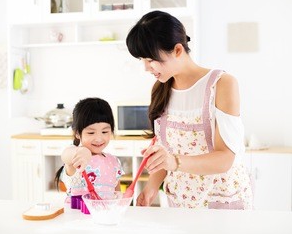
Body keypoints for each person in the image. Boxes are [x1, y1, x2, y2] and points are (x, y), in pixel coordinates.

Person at [125, 10, 253, 209]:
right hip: (180, 201)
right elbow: (164, 151)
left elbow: (225, 158)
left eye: (150, 60)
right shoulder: (160, 88)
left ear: (177, 50)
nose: (146, 68)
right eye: (142, 60)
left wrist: (173, 162)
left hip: (221, 201)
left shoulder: (222, 84)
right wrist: (151, 187)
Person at [54, 97, 124, 204]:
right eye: (91, 133)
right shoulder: (76, 159)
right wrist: (82, 152)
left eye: (105, 132)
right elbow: (66, 155)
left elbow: (117, 194)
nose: (99, 138)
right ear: (77, 133)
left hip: (104, 216)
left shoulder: (113, 161)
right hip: (77, 217)